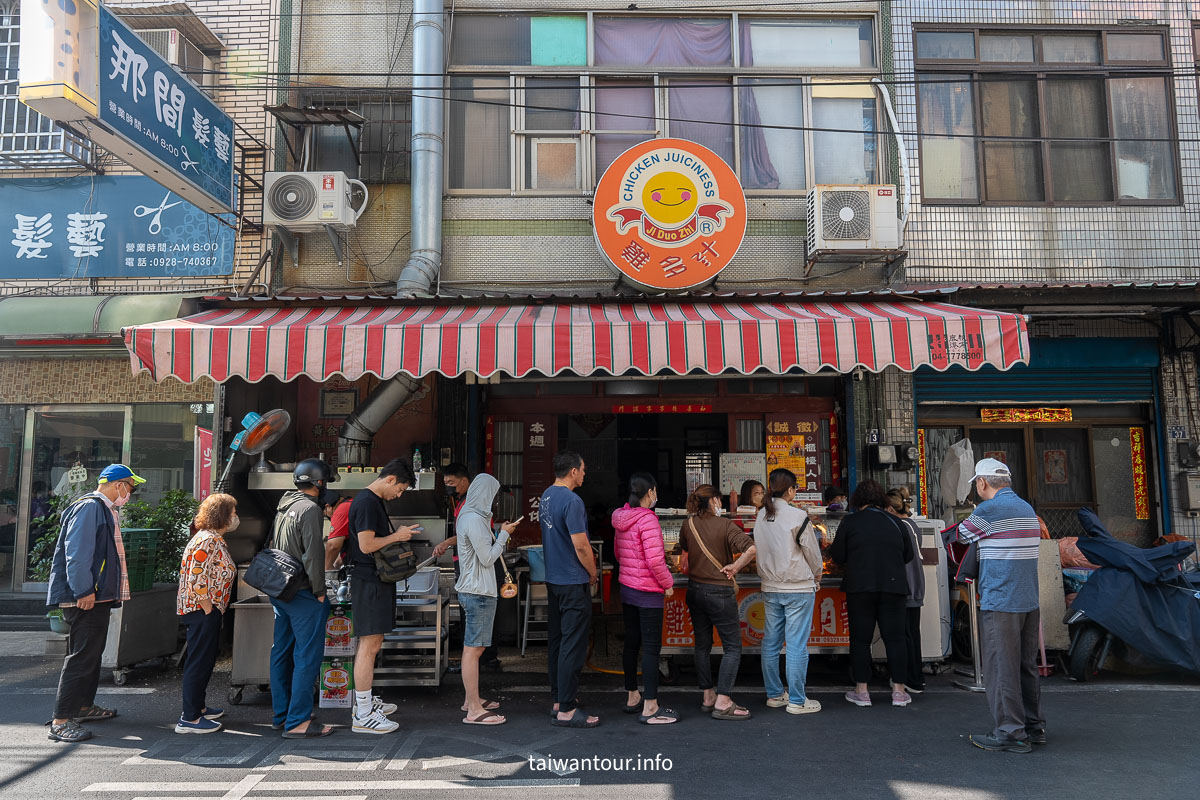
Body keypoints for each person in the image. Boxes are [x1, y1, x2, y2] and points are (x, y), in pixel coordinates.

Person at [950, 458, 1044, 754]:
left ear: (982, 483)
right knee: (1024, 666)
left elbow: (960, 535)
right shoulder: (1026, 508)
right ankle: (1033, 727)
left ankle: (1010, 733)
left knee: (1001, 667)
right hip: (1028, 600)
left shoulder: (989, 509)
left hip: (1001, 601)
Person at [46, 464, 143, 743]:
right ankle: (61, 720)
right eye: (130, 488)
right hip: (86, 596)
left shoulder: (102, 509)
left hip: (96, 595)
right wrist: (84, 590)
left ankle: (83, 707)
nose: (130, 494)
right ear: (118, 484)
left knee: (91, 654)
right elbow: (77, 554)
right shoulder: (90, 508)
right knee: (81, 656)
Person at [346, 458, 419, 734]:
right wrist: (397, 536)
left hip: (374, 582)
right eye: (400, 489)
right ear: (390, 479)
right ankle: (363, 713)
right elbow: (366, 545)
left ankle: (364, 702)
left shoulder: (372, 502)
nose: (398, 495)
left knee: (372, 644)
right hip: (369, 582)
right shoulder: (366, 503)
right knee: (369, 645)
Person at [830, 479, 914, 708]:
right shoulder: (897, 523)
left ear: (857, 500)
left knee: (860, 639)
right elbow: (908, 555)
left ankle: (862, 691)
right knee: (895, 639)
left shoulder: (850, 521)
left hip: (860, 587)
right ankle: (898, 691)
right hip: (893, 587)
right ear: (881, 500)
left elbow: (837, 555)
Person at [269, 460, 337, 738]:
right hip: (303, 592)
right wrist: (320, 591)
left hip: (280, 589)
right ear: (319, 483)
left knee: (281, 652)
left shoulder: (284, 506)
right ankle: (298, 722)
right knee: (307, 656)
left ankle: (282, 715)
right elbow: (313, 554)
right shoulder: (310, 509)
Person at [678, 484, 756, 721]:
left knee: (702, 645)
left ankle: (708, 696)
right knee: (732, 646)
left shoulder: (688, 524)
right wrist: (735, 566)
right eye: (718, 500)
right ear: (713, 501)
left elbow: (684, 554)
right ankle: (723, 701)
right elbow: (752, 549)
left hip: (695, 590)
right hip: (719, 593)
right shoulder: (724, 525)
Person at [754, 469, 823, 715]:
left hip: (770, 588)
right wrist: (817, 573)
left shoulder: (761, 514)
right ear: (791, 490)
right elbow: (812, 553)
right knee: (795, 645)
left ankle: (774, 695)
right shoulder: (797, 515)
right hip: (798, 588)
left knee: (771, 643)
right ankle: (796, 700)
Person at [540, 451, 600, 728]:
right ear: (573, 471)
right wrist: (593, 571)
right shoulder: (573, 501)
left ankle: (558, 699)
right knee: (572, 644)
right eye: (584, 469)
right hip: (572, 580)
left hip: (553, 579)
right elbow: (581, 545)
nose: (585, 474)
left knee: (557, 641)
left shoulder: (547, 496)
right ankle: (566, 708)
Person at [612, 473, 677, 725]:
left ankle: (632, 696)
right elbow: (654, 561)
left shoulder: (621, 517)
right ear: (650, 492)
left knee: (632, 643)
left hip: (627, 589)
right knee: (651, 648)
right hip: (649, 592)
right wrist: (668, 584)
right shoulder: (648, 520)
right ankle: (651, 706)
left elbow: (619, 554)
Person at [454, 473, 516, 725]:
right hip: (478, 592)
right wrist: (503, 534)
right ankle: (474, 710)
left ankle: (472, 700)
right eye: (493, 495)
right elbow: (488, 557)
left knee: (474, 648)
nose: (494, 501)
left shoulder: (470, 516)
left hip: (475, 590)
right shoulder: (474, 520)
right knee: (473, 649)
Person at [175, 493, 238, 734]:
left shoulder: (210, 538)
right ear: (222, 515)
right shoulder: (208, 540)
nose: (234, 518)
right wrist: (208, 607)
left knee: (203, 660)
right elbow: (196, 577)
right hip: (201, 610)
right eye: (232, 513)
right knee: (199, 662)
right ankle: (189, 719)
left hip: (204, 609)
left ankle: (198, 708)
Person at [433, 464, 503, 671]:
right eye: (445, 484)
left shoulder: (472, 507)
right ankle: (478, 660)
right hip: (469, 565)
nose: (448, 487)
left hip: (475, 568)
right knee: (473, 614)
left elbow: (478, 543)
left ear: (465, 482)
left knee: (476, 615)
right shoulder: (462, 503)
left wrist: (446, 543)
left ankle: (482, 660)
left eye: (451, 483)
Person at [887, 487, 926, 695]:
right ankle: (917, 678)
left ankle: (909, 679)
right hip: (916, 584)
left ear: (891, 509)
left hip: (905, 585)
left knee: (903, 635)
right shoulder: (912, 524)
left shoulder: (898, 526)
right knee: (912, 633)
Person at [324, 493, 352, 570]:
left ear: (328, 507)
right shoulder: (351, 503)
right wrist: (338, 562)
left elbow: (333, 546)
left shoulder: (342, 510)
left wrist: (327, 567)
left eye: (325, 513)